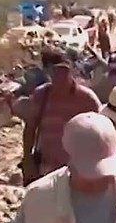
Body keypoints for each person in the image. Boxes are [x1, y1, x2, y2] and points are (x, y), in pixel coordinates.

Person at [21, 48, 102, 185]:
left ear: (71, 69)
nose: (60, 74)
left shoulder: (86, 99)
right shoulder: (41, 95)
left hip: (78, 171)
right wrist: (28, 160)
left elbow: (102, 133)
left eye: (64, 69)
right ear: (47, 72)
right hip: (46, 170)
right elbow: (30, 128)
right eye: (54, 70)